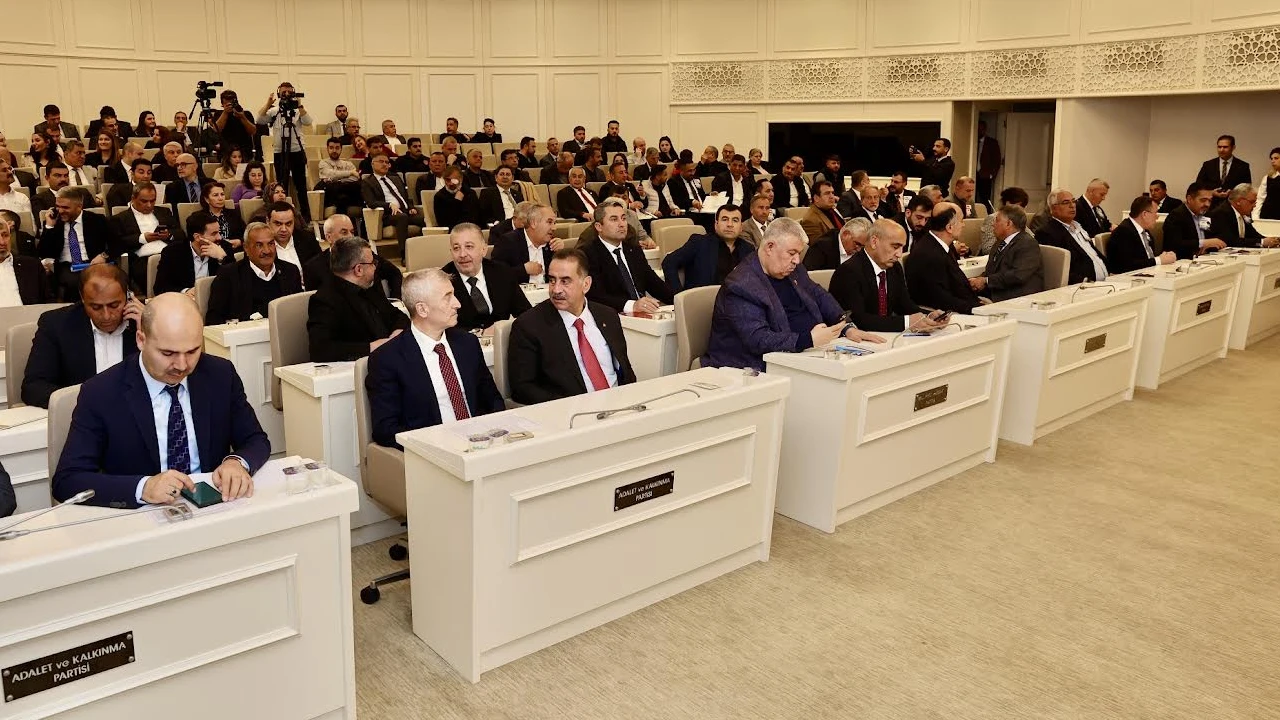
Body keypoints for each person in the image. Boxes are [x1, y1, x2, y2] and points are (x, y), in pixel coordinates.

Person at [52, 292, 268, 509]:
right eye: (168, 353)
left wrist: (236, 462)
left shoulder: (219, 374)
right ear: (141, 340)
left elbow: (256, 440)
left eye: (192, 351)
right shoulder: (101, 392)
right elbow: (68, 480)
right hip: (141, 516)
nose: (182, 365)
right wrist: (142, 488)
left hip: (214, 506)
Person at [703, 218, 884, 371]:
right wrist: (808, 340)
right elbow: (758, 339)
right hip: (757, 366)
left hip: (807, 353)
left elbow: (819, 295)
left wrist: (845, 326)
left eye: (798, 253)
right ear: (770, 247)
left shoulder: (792, 269)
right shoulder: (741, 285)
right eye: (792, 253)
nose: (797, 260)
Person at [366, 268, 505, 449]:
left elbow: (493, 401)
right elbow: (386, 429)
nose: (457, 304)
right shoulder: (387, 359)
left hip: (482, 443)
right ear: (422, 309)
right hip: (433, 450)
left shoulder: (467, 344)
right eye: (447, 297)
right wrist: (438, 445)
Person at [508, 248, 636, 404]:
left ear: (586, 284)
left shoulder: (608, 316)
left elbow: (625, 371)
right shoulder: (529, 326)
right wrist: (571, 407)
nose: (556, 290)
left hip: (621, 405)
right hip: (572, 412)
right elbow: (522, 388)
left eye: (565, 281)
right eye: (552, 280)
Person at [22, 264, 142, 408]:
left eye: (114, 305)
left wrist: (150, 328)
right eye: (96, 307)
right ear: (82, 298)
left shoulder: (147, 322)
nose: (106, 316)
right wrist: (87, 403)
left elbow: (164, 378)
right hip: (81, 413)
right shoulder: (56, 324)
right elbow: (33, 387)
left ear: (128, 296)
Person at [829, 220, 950, 332]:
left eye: (902, 248)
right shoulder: (848, 272)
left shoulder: (894, 267)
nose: (899, 254)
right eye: (895, 247)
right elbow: (858, 320)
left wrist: (928, 316)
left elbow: (905, 305)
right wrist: (907, 322)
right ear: (874, 242)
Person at [306, 236, 409, 362]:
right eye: (372, 263)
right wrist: (372, 347)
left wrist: (396, 333)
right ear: (359, 269)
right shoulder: (325, 300)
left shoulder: (370, 287)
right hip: (359, 366)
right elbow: (320, 350)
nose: (375, 267)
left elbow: (398, 316)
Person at [579, 202, 673, 313]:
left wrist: (678, 300)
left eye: (623, 218)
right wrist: (631, 305)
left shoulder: (633, 248)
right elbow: (595, 296)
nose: (622, 224)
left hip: (642, 313)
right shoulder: (588, 254)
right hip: (613, 315)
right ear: (599, 226)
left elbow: (652, 282)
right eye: (614, 219)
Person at [205, 222, 304, 325]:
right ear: (246, 248)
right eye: (259, 245)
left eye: (271, 244)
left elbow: (299, 312)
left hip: (284, 331)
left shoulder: (290, 271)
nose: (267, 251)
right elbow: (213, 319)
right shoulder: (229, 275)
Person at [440, 223, 532, 331]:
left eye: (469, 247)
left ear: (483, 250)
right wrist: (480, 333)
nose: (462, 254)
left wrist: (502, 329)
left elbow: (526, 314)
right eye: (456, 248)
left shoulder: (502, 272)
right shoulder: (442, 281)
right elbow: (440, 328)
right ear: (451, 252)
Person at [38, 186, 119, 300]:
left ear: (79, 206)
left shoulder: (97, 220)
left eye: (65, 207)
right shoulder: (54, 222)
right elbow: (43, 252)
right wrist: (49, 227)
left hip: (94, 264)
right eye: (57, 206)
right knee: (77, 283)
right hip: (68, 266)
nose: (60, 211)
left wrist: (104, 256)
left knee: (112, 281)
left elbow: (117, 243)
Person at [905, 203, 982, 313]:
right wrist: (978, 308)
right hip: (948, 313)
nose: (963, 225)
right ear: (949, 227)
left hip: (963, 304)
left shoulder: (939, 245)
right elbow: (941, 299)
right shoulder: (929, 255)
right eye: (961, 221)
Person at [302, 214, 402, 297]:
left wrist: (396, 300)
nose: (350, 236)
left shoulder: (367, 256)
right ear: (329, 237)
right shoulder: (313, 267)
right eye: (344, 232)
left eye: (352, 232)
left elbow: (395, 273)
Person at [662, 204, 753, 292]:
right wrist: (678, 295)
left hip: (737, 300)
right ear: (716, 225)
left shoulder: (749, 249)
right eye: (725, 219)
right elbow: (669, 262)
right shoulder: (699, 243)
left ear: (741, 227)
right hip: (703, 300)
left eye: (735, 220)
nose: (729, 224)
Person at [112, 181, 183, 290]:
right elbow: (118, 243)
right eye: (144, 201)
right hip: (142, 258)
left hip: (169, 254)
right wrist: (142, 238)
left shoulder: (164, 212)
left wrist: (169, 235)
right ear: (133, 198)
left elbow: (180, 233)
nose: (149, 205)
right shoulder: (121, 218)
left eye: (152, 201)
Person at [969, 205, 1045, 301]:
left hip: (1016, 296)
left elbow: (1017, 276)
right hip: (995, 290)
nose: (993, 224)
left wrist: (986, 281)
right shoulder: (999, 242)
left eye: (997, 220)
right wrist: (978, 280)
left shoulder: (1028, 244)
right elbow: (991, 271)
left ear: (1008, 224)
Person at [1035, 189, 1109, 284]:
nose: (1072, 205)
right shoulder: (1047, 233)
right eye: (1066, 202)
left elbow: (1093, 254)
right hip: (1084, 285)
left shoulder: (1079, 226)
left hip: (1107, 280)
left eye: (1073, 201)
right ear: (1053, 208)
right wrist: (1085, 281)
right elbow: (1056, 269)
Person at [153, 211, 235, 296]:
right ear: (197, 237)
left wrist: (223, 259)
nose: (219, 237)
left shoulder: (224, 247)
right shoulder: (172, 252)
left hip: (214, 299)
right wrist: (186, 291)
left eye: (219, 232)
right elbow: (160, 288)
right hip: (185, 300)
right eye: (214, 234)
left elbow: (236, 282)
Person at [361, 153, 424, 252]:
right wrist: (389, 205)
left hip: (405, 212)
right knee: (402, 217)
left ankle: (422, 249)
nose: (385, 164)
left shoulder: (395, 178)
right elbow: (371, 202)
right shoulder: (367, 182)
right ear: (372, 164)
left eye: (387, 162)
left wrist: (411, 207)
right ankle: (404, 253)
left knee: (424, 219)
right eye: (381, 162)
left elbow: (405, 197)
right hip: (386, 215)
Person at [1104, 197, 1178, 274]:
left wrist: (1164, 257)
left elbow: (1147, 259)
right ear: (1144, 214)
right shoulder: (1123, 232)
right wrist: (1159, 260)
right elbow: (1127, 265)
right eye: (1155, 213)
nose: (1157, 217)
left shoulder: (1145, 231)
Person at [491, 202, 562, 283]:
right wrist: (523, 270)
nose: (554, 228)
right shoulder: (508, 242)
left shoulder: (552, 244)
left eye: (554, 223)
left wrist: (561, 254)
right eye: (549, 222)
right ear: (533, 223)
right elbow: (495, 274)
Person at [1162, 182, 1226, 260]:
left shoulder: (1207, 214)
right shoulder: (1176, 216)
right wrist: (1203, 243)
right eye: (1203, 200)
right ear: (1189, 199)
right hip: (1182, 261)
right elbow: (1174, 245)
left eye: (1209, 201)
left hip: (1206, 258)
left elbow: (1218, 236)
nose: (1207, 204)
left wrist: (1209, 246)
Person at [1209, 184, 1280, 248]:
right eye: (1252, 202)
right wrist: (1262, 242)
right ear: (1239, 201)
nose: (1254, 205)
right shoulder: (1221, 213)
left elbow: (1253, 235)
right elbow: (1230, 241)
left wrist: (1273, 240)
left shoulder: (1243, 213)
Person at [0, 219, 49, 306]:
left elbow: (49, 302)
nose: (2, 242)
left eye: (5, 235)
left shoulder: (32, 266)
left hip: (29, 314)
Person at [1195, 134, 1252, 209]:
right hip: (1210, 205)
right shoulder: (1208, 165)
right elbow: (1198, 185)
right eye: (1219, 147)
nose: (1221, 150)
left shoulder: (1243, 166)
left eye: (1225, 147)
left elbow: (1246, 188)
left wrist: (1232, 193)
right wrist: (1212, 192)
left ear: (1233, 147)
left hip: (1232, 206)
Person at [804, 216, 868, 272]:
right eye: (857, 244)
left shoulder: (863, 251)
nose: (859, 249)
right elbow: (810, 275)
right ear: (845, 234)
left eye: (862, 246)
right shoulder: (821, 248)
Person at [979, 186, 1028, 255]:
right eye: (1019, 206)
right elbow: (987, 249)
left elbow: (1031, 238)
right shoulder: (992, 219)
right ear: (1008, 204)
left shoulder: (1019, 218)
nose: (1022, 211)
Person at [213, 89, 257, 161]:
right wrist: (225, 112)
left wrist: (242, 117)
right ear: (222, 104)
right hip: (226, 152)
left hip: (244, 152)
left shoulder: (246, 114)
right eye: (227, 104)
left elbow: (253, 131)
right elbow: (216, 129)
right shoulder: (219, 114)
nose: (230, 106)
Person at [202, 182, 246, 250]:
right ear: (207, 199)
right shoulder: (200, 217)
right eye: (215, 195)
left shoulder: (233, 214)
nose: (220, 198)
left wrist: (239, 241)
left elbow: (246, 234)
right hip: (210, 251)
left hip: (235, 251)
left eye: (222, 194)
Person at [433, 165, 479, 230]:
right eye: (448, 180)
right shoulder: (439, 197)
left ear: (461, 179)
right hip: (451, 231)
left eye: (454, 180)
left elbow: (474, 217)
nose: (451, 183)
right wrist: (456, 202)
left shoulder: (470, 194)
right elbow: (443, 222)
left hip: (470, 229)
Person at [975, 121, 1002, 209]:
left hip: (985, 175)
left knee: (985, 198)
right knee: (972, 196)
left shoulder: (992, 142)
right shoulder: (972, 141)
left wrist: (991, 174)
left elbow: (997, 160)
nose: (979, 131)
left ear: (985, 130)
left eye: (981, 129)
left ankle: (986, 213)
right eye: (978, 129)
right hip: (973, 174)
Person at [1254, 147, 1280, 220]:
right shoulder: (1268, 178)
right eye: (1271, 159)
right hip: (1268, 215)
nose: (1273, 161)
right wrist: (1255, 216)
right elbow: (1260, 198)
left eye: (1276, 158)